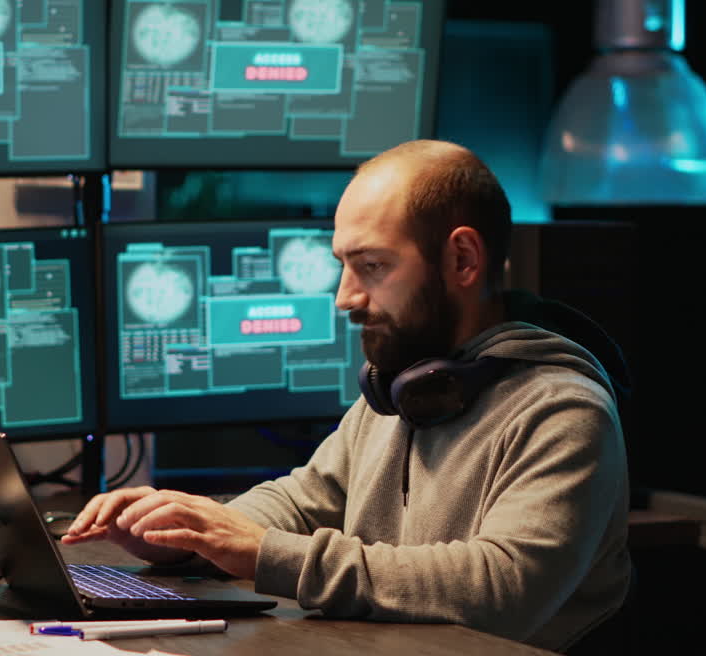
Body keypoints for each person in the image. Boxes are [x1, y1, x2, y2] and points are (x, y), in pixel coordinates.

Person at [62, 139, 632, 652]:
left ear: (462, 260)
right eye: (344, 266)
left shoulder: (563, 410)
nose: (344, 297)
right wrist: (189, 531)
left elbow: (502, 586)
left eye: (372, 266)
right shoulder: (401, 393)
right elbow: (305, 500)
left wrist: (263, 553)